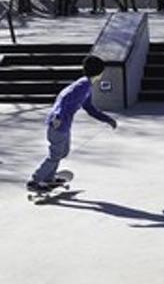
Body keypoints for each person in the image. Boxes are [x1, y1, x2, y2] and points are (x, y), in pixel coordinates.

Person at [27, 55, 117, 190]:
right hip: (58, 124)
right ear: (99, 72)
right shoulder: (82, 85)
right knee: (55, 154)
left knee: (63, 152)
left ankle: (48, 178)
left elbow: (90, 108)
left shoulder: (86, 86)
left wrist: (107, 119)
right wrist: (57, 117)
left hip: (63, 125)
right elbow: (63, 100)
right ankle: (35, 181)